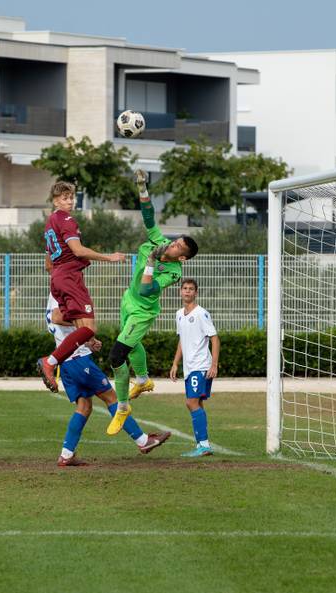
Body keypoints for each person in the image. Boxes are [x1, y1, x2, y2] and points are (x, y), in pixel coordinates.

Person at [106, 170, 199, 436]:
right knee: (132, 344)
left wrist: (149, 262)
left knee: (117, 355)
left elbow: (147, 290)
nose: (172, 245)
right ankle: (144, 380)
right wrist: (142, 186)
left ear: (182, 258)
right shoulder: (159, 241)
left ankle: (122, 406)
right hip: (128, 300)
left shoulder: (174, 273)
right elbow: (148, 216)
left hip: (142, 311)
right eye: (175, 242)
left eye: (178, 248)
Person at [45, 294, 169, 466]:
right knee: (112, 397)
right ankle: (142, 441)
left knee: (84, 406)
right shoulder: (63, 288)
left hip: (67, 361)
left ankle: (66, 455)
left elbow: (60, 322)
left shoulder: (56, 288)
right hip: (79, 360)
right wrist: (86, 327)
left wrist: (87, 339)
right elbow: (57, 317)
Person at [36, 181, 125, 392]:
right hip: (69, 276)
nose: (70, 201)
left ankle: (60, 356)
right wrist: (109, 257)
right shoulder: (66, 219)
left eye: (71, 197)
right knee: (88, 326)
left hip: (58, 276)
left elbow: (48, 261)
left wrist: (90, 339)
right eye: (65, 198)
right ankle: (49, 361)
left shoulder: (50, 221)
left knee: (84, 327)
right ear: (55, 200)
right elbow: (78, 250)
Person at [169, 278, 220, 457]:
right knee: (197, 403)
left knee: (191, 402)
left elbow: (214, 338)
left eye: (191, 289)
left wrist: (214, 364)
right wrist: (175, 363)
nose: (187, 291)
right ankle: (202, 444)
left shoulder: (201, 313)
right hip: (189, 368)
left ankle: (204, 445)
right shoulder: (179, 314)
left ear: (196, 293)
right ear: (180, 292)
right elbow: (182, 341)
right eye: (184, 288)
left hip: (201, 365)